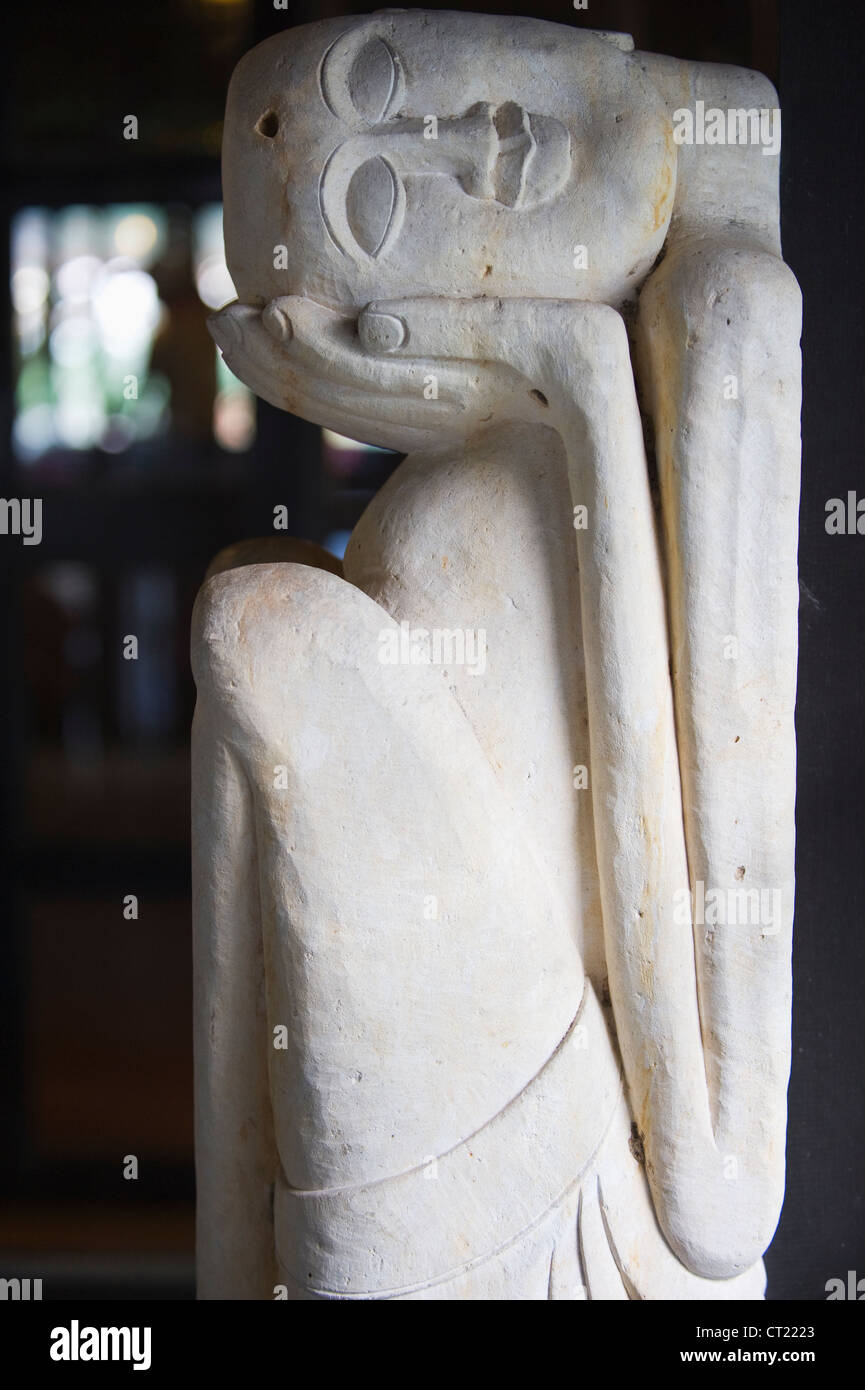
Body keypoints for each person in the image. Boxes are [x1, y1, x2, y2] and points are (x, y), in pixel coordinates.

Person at [195, 12, 800, 1299]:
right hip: (482, 1187)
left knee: (258, 626)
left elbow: (721, 1190)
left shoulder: (720, 318)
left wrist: (558, 367)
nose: (466, 139)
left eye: (381, 74)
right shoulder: (667, 338)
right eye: (376, 202)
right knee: (249, 612)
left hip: (524, 1176)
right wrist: (546, 378)